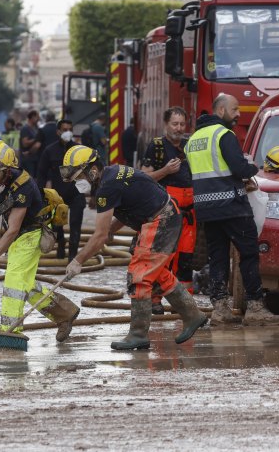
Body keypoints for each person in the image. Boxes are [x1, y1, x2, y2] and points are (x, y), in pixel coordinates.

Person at [61, 145, 207, 350]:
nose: (78, 183)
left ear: (92, 171)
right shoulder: (111, 175)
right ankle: (193, 315)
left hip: (161, 220)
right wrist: (112, 229)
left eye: (79, 177)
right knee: (155, 273)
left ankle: (138, 334)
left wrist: (78, 261)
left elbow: (99, 236)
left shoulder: (106, 187)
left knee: (139, 276)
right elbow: (130, 202)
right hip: (162, 215)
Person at [185, 93, 279, 326]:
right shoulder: (224, 134)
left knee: (217, 257)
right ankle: (255, 307)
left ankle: (220, 309)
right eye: (235, 109)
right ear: (220, 111)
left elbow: (196, 174)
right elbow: (239, 168)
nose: (239, 114)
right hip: (232, 206)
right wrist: (252, 166)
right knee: (248, 254)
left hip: (206, 209)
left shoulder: (193, 140)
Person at [0, 140, 80, 342]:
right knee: (25, 285)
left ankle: (10, 331)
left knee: (14, 280)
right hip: (19, 234)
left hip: (32, 233)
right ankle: (65, 313)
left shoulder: (25, 187)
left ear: (8, 170)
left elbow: (12, 230)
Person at [140, 106, 195, 315]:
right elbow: (144, 178)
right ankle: (155, 299)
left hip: (189, 212)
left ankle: (183, 301)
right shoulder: (156, 147)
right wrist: (166, 171)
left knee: (186, 257)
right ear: (166, 124)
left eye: (182, 124)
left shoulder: (190, 146)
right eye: (175, 124)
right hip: (166, 210)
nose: (179, 128)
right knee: (163, 255)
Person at [37, 119, 86, 261]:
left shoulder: (79, 150)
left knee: (75, 227)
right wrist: (41, 194)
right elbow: (41, 173)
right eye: (64, 129)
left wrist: (94, 193)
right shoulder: (49, 151)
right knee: (57, 227)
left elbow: (92, 171)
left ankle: (72, 258)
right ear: (58, 132)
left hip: (76, 194)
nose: (68, 132)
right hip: (58, 197)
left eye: (70, 129)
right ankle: (60, 245)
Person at [19, 109, 42, 177]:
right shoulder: (25, 129)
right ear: (32, 117)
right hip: (27, 160)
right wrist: (36, 139)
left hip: (35, 159)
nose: (38, 119)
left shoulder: (35, 128)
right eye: (37, 117)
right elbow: (25, 143)